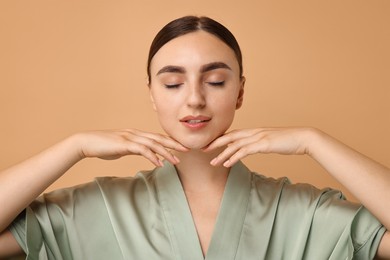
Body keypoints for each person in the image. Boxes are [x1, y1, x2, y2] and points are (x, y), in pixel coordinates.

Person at [0, 15, 389, 260]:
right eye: (172, 83)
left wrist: (313, 140)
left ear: (239, 91)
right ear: (151, 93)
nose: (195, 98)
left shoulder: (304, 213)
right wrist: (75, 147)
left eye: (216, 80)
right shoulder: (93, 208)